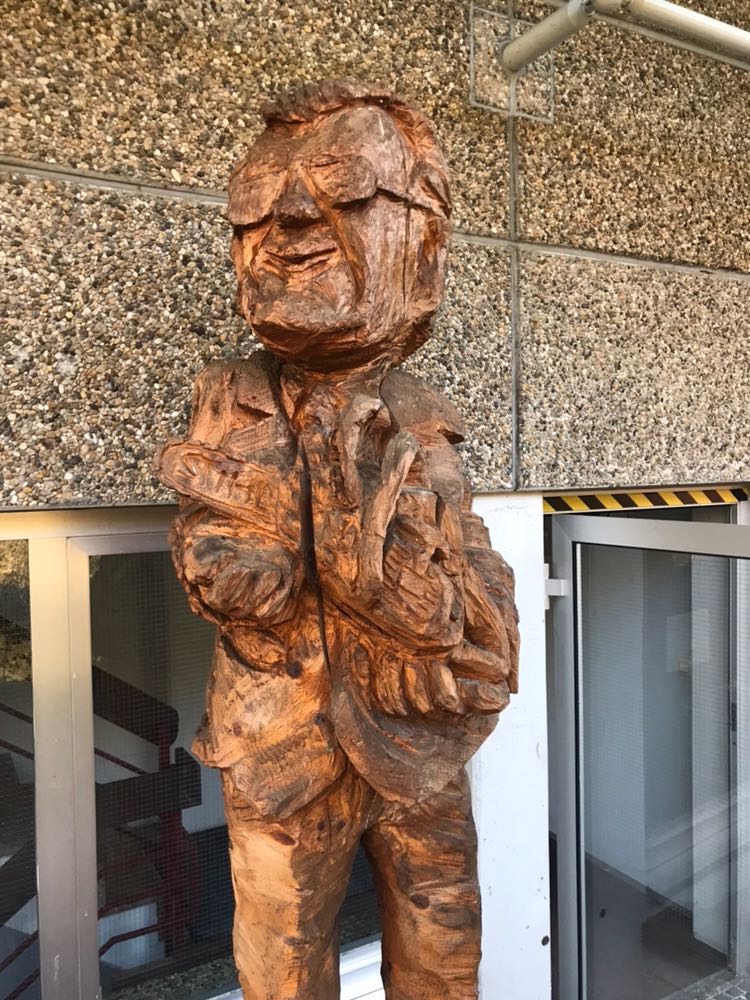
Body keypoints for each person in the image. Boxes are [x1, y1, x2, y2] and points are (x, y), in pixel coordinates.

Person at [157, 78, 519, 1000]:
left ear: (425, 248)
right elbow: (215, 535)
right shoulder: (231, 395)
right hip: (282, 740)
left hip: (423, 735)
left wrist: (464, 604)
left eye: (345, 188)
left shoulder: (425, 416)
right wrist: (235, 563)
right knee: (284, 956)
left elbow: (471, 552)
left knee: (445, 936)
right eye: (256, 201)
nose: (288, 218)